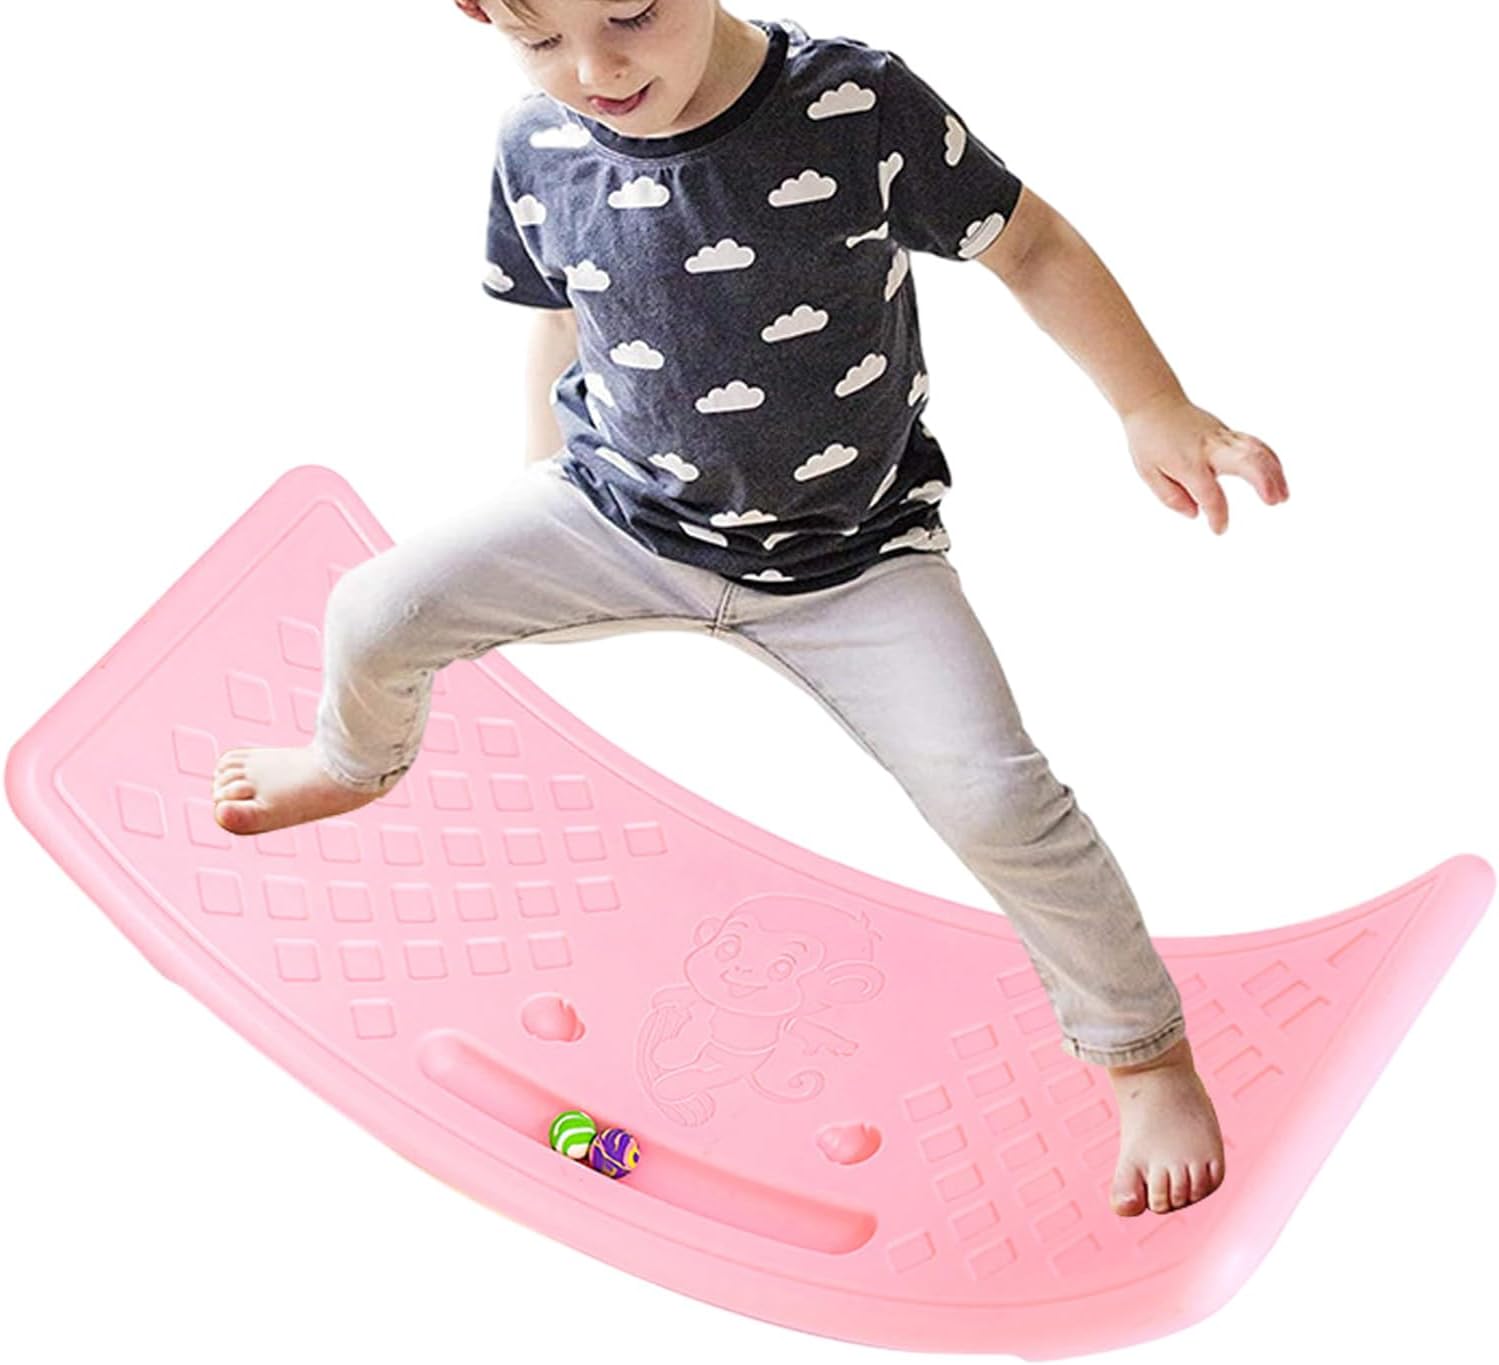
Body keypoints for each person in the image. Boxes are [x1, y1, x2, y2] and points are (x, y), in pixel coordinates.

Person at [212, 0, 1290, 1219]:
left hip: (856, 560)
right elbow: (561, 306)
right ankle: (352, 761)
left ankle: (1141, 1057)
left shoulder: (853, 103)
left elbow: (1029, 245)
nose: (593, 69)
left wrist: (1152, 406)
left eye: (630, 14)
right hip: (621, 518)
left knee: (999, 800)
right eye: (540, 40)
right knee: (374, 608)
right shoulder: (535, 139)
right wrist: (534, 477)